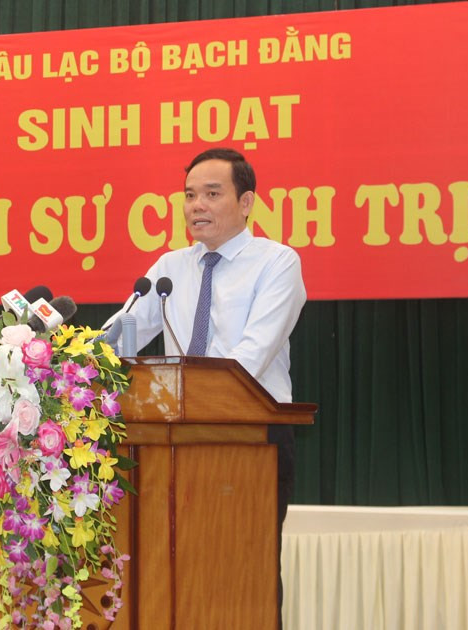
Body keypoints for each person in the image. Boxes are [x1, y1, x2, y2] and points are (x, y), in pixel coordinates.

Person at [123, 147, 306, 626]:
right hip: (170, 440)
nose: (196, 206)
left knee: (243, 570)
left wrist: (188, 393)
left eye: (211, 194)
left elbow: (249, 359)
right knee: (173, 568)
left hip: (251, 438)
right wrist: (73, 359)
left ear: (246, 203)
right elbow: (120, 338)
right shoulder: (169, 266)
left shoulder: (277, 263)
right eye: (189, 196)